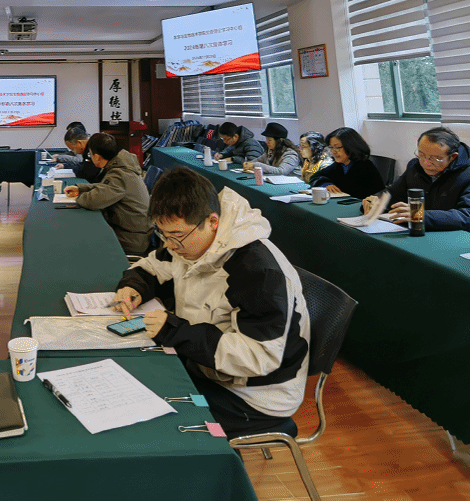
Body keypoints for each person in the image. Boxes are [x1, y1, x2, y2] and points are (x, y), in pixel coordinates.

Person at [112, 167, 310, 438]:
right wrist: (133, 286)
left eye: (176, 235)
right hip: (207, 367)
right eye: (163, 234)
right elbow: (154, 266)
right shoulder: (190, 239)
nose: (169, 245)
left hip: (253, 396)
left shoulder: (258, 271)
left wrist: (175, 331)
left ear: (213, 221)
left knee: (153, 424)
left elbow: (258, 358)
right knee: (136, 380)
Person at [369, 127, 470, 232]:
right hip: (420, 232)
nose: (426, 163)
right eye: (421, 155)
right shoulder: (415, 167)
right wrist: (376, 200)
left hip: (456, 238)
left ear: (453, 157)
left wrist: (420, 215)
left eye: (435, 158)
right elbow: (393, 194)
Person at [64, 133, 152, 255]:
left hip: (132, 239)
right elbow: (105, 187)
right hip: (132, 232)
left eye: (90, 155)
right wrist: (81, 189)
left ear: (97, 157)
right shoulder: (121, 168)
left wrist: (78, 197)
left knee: (83, 240)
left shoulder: (119, 174)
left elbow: (93, 201)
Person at [309, 127, 385, 199]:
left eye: (337, 147)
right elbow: (315, 177)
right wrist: (326, 184)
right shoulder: (339, 165)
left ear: (351, 147)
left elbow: (354, 192)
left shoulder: (365, 166)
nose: (333, 152)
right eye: (331, 147)